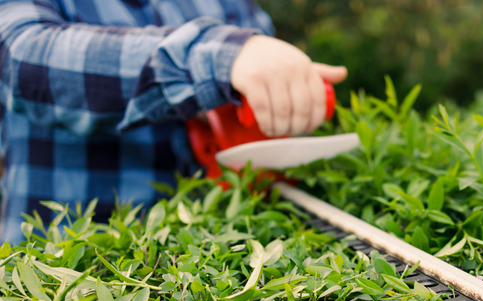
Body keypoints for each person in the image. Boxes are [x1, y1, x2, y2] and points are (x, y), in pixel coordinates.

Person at [0, 0, 347, 243]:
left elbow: (259, 69)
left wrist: (283, 93)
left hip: (207, 285)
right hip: (68, 284)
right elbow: (23, 59)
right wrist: (216, 58)